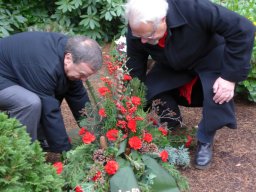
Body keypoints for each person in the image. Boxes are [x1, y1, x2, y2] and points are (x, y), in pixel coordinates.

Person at [124, 0, 255, 169]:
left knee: (217, 93)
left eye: (148, 36)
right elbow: (135, 63)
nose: (142, 41)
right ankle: (171, 120)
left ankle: (205, 139)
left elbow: (243, 28)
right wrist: (133, 99)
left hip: (210, 56)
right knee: (149, 89)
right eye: (138, 36)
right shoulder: (138, 26)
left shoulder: (194, 8)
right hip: (174, 63)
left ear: (163, 20)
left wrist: (229, 77)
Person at [0, 31, 103, 154]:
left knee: (60, 86)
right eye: (82, 74)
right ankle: (22, 153)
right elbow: (49, 110)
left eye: (87, 76)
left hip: (15, 71)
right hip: (3, 76)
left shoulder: (68, 52)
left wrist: (95, 132)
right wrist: (66, 152)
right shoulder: (46, 66)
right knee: (29, 103)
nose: (84, 80)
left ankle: (40, 138)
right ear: (69, 58)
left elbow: (78, 97)